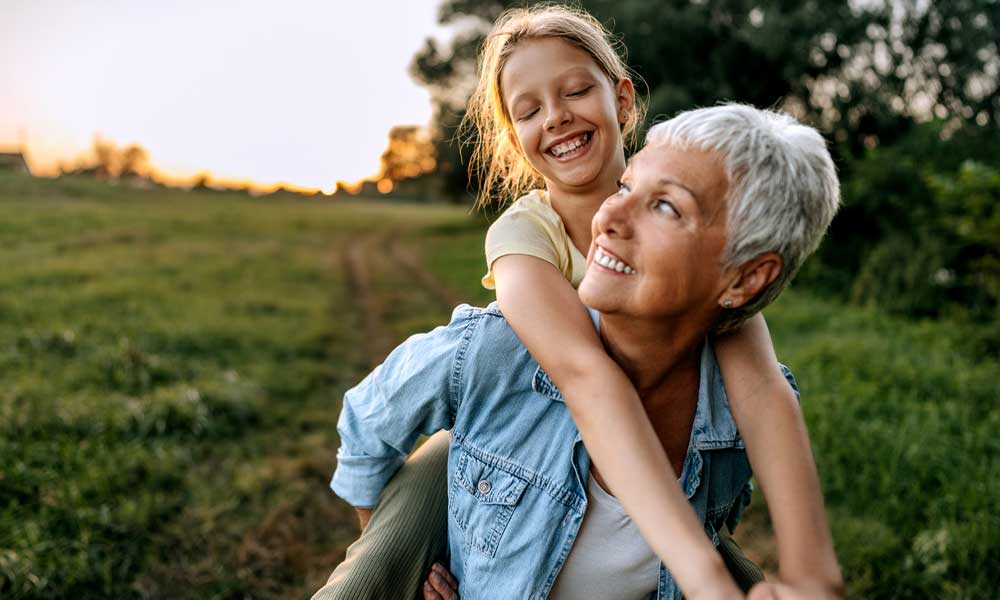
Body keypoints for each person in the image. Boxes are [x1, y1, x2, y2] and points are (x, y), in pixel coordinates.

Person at [315, 6, 840, 600]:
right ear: (515, 137)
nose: (557, 116)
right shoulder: (522, 238)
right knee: (381, 561)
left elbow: (762, 388)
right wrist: (405, 556)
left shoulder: (696, 237)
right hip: (507, 432)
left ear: (622, 99)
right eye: (530, 110)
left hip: (629, 479)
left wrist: (811, 574)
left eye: (574, 92)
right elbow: (585, 375)